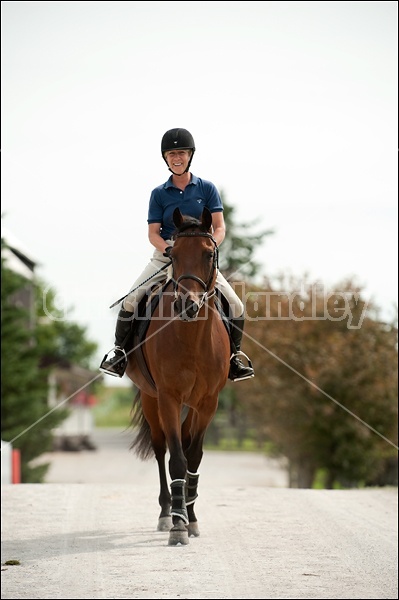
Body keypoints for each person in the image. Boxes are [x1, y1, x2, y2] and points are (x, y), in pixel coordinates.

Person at [100, 128, 255, 382]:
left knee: (235, 304)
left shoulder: (207, 188)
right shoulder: (159, 194)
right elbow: (153, 233)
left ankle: (235, 357)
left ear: (190, 155)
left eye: (181, 153)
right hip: (167, 254)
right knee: (130, 300)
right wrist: (169, 250)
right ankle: (119, 353)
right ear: (166, 158)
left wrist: (210, 247)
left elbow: (219, 227)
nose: (177, 158)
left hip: (200, 256)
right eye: (172, 154)